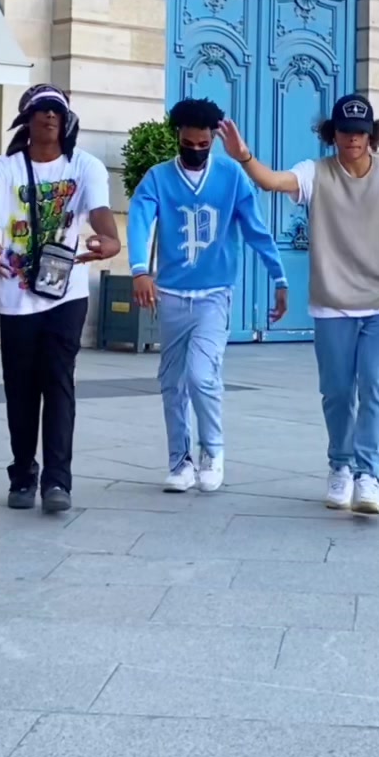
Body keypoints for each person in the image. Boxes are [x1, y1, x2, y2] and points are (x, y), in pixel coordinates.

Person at [219, 94, 379, 517]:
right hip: (332, 305)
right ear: (333, 134)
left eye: (361, 132)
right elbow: (272, 182)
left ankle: (369, 475)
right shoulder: (316, 173)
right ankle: (340, 466)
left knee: (376, 385)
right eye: (345, 131)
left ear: (372, 135)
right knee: (338, 392)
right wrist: (244, 157)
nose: (353, 139)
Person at [0, 84, 120, 513]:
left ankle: (57, 481)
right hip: (15, 295)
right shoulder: (5, 168)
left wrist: (110, 241)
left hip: (66, 294)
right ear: (26, 119)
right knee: (20, 388)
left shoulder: (85, 166)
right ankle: (22, 474)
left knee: (58, 382)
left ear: (66, 120)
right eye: (41, 109)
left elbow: (102, 217)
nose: (50, 116)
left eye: (57, 110)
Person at [127, 97, 288, 495]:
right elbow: (139, 221)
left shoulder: (232, 176)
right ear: (178, 137)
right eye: (189, 144)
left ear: (213, 139)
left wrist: (279, 277)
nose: (196, 151)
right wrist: (139, 270)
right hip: (171, 294)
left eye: (203, 144)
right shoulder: (158, 178)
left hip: (214, 294)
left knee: (201, 376)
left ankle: (212, 452)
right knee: (171, 381)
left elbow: (255, 229)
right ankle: (179, 462)